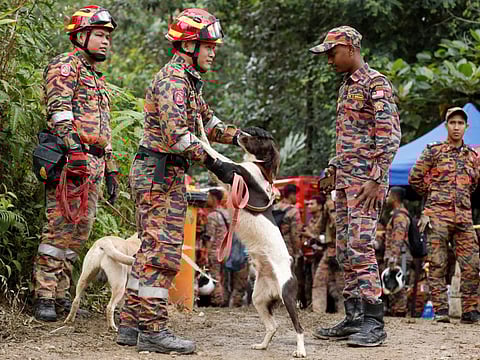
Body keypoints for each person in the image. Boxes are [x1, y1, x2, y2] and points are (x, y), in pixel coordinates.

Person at [116, 8, 262, 354]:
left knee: (150, 250)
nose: (213, 51)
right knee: (162, 253)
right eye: (208, 45)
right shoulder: (172, 82)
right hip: (159, 172)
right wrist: (218, 165)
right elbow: (179, 136)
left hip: (163, 172)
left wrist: (243, 138)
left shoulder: (188, 82)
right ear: (189, 45)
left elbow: (208, 125)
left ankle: (131, 324)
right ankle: (153, 330)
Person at [310, 26, 401, 346]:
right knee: (346, 249)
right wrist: (333, 169)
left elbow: (389, 135)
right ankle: (354, 316)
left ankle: (374, 322)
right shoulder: (346, 87)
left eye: (333, 53)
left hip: (366, 183)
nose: (330, 60)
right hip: (346, 182)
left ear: (350, 48)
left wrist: (377, 178)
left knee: (361, 248)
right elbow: (347, 139)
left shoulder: (376, 83)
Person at [33, 5, 119, 322]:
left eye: (108, 36)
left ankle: (62, 295)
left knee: (79, 232)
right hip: (71, 159)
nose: (106, 41)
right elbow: (60, 114)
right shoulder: (64, 68)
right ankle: (44, 294)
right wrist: (76, 152)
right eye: (99, 34)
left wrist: (110, 169)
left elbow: (103, 129)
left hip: (93, 162)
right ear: (80, 36)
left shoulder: (97, 78)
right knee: (58, 229)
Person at [409, 106, 480, 324]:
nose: (456, 127)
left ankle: (470, 310)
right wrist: (433, 195)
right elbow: (415, 178)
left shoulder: (472, 156)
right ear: (446, 125)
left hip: (464, 218)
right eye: (452, 123)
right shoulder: (434, 150)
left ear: (466, 127)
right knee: (438, 264)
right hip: (437, 216)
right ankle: (440, 310)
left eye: (460, 123)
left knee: (472, 264)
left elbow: (474, 183)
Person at [312, 194, 345, 314]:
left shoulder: (344, 206)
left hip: (341, 251)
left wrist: (332, 209)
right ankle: (317, 312)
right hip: (330, 250)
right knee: (319, 281)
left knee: (342, 285)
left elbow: (339, 226)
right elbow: (318, 227)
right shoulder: (329, 206)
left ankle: (344, 312)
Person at [383, 187, 411, 317]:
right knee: (393, 285)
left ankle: (400, 313)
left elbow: (398, 238)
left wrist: (393, 257)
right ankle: (396, 311)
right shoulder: (396, 214)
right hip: (399, 255)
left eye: (388, 195)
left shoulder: (400, 216)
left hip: (401, 256)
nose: (386, 198)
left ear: (395, 198)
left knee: (398, 285)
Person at [300, 195, 326, 310]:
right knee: (308, 282)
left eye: (312, 204)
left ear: (320, 206)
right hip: (310, 256)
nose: (309, 206)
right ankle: (311, 306)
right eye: (308, 204)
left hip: (321, 255)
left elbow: (323, 238)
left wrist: (309, 235)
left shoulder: (324, 219)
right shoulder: (311, 220)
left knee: (319, 282)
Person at [205, 188, 228, 306]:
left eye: (208, 197)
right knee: (222, 277)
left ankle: (217, 301)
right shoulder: (226, 213)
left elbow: (210, 237)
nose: (206, 199)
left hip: (215, 251)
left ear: (213, 198)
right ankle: (223, 298)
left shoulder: (213, 216)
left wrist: (206, 253)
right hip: (225, 251)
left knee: (215, 277)